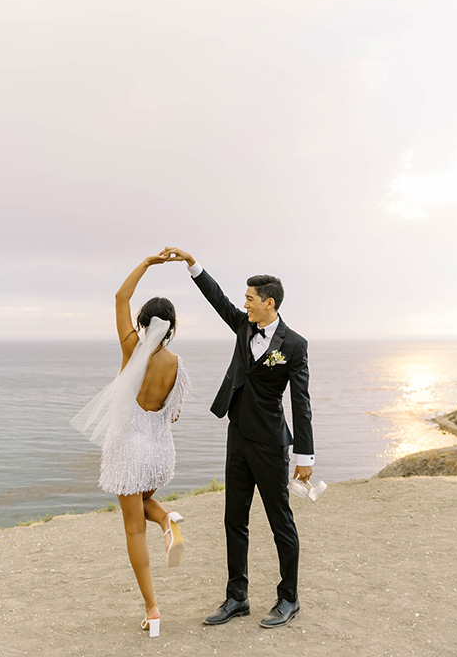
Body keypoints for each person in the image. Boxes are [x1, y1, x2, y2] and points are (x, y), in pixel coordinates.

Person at [163, 246, 314, 629]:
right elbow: (217, 299)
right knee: (234, 519)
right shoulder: (244, 326)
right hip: (238, 438)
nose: (244, 304)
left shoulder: (294, 345)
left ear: (269, 302)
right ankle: (237, 597)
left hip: (271, 443)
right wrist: (192, 264)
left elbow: (301, 402)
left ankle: (289, 598)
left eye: (250, 298)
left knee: (281, 522)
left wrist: (305, 457)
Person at [70, 254, 190, 638]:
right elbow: (172, 415)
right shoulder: (177, 365)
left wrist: (148, 263)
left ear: (142, 323)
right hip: (159, 454)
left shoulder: (131, 350)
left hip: (128, 451)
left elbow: (121, 296)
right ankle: (168, 521)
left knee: (133, 529)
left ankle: (152, 609)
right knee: (143, 506)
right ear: (171, 329)